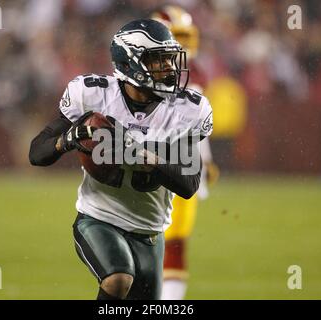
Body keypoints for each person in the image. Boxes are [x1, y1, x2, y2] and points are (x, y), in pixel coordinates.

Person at [29, 18, 213, 300]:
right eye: (158, 60)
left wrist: (146, 158)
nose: (170, 68)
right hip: (99, 218)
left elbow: (189, 184)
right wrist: (67, 140)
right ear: (130, 63)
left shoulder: (185, 110)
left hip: (150, 232)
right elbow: (37, 152)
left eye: (170, 59)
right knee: (118, 279)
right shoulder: (94, 95)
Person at [151, 5, 219, 300]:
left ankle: (168, 300)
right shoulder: (139, 77)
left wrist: (206, 159)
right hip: (152, 163)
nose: (185, 44)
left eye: (185, 35)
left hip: (182, 161)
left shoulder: (193, 75)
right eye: (177, 36)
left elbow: (197, 127)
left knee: (176, 240)